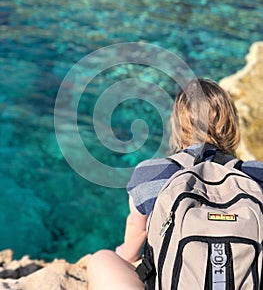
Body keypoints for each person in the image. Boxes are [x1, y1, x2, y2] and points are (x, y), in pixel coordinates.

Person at [87, 78, 263, 290]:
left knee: (102, 259)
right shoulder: (257, 173)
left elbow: (137, 232)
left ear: (178, 126)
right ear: (232, 125)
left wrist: (126, 256)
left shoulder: (150, 173)